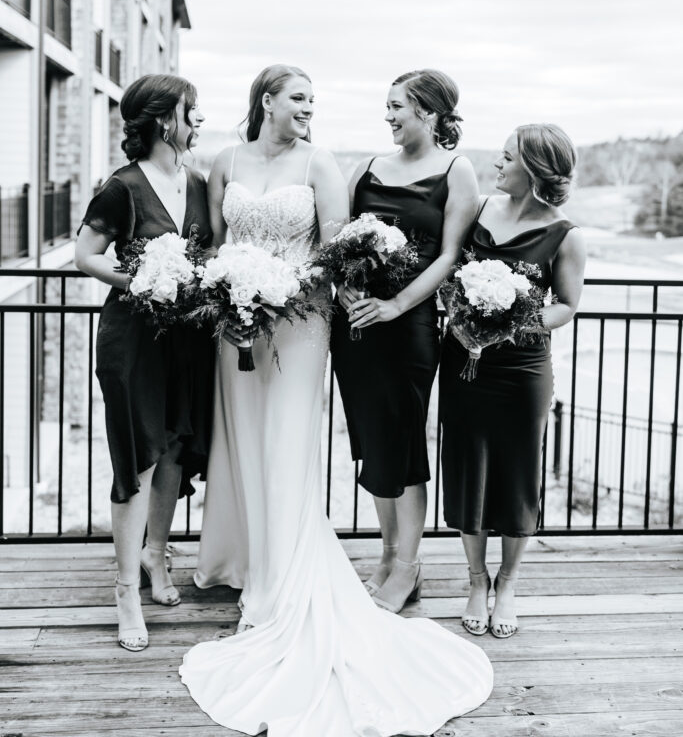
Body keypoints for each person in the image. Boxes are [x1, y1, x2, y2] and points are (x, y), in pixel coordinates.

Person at [180, 64, 493, 737]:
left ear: (432, 113)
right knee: (278, 442)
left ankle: (367, 569)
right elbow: (220, 241)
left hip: (323, 323)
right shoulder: (268, 163)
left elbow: (346, 245)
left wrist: (378, 300)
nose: (311, 109)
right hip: (261, 319)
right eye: (299, 97)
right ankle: (248, 558)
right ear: (265, 99)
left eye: (396, 105)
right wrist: (229, 292)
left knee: (344, 440)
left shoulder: (356, 163)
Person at [74, 74, 214, 652]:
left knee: (176, 448)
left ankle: (158, 557)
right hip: (133, 341)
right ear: (163, 120)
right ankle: (125, 589)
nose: (198, 121)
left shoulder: (201, 183)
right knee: (138, 460)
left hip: (188, 339)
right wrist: (142, 280)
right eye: (192, 111)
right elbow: (85, 254)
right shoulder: (122, 188)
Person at [331, 69, 479, 613]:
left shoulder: (456, 172)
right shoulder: (366, 168)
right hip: (355, 330)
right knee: (371, 445)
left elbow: (448, 256)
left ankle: (409, 566)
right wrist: (345, 286)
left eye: (397, 106)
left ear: (430, 113)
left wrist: (395, 304)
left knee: (404, 444)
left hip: (409, 329)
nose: (388, 116)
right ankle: (389, 555)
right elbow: (340, 239)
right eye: (387, 106)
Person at [439, 123, 586, 638]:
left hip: (522, 371)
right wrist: (462, 311)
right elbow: (447, 273)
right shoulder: (478, 210)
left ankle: (509, 583)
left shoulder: (565, 234)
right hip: (464, 363)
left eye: (506, 158)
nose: (497, 165)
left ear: (535, 169)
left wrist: (509, 320)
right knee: (468, 468)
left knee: (517, 474)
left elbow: (566, 306)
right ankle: (476, 580)